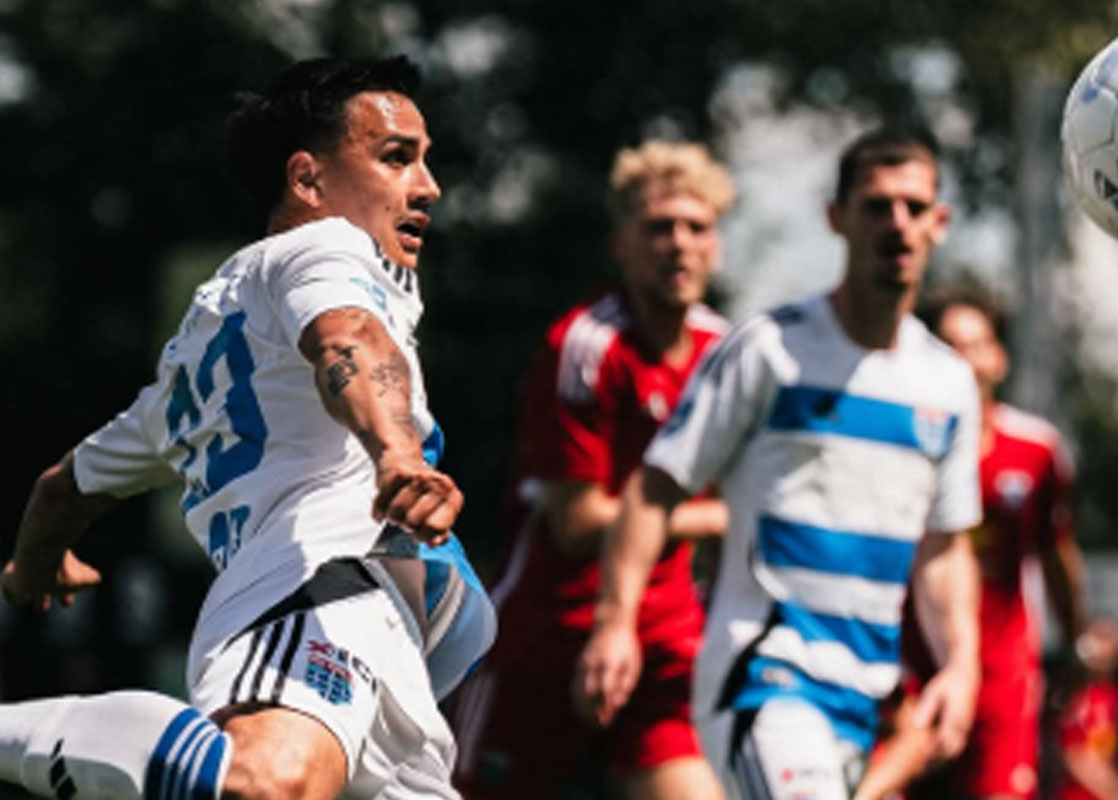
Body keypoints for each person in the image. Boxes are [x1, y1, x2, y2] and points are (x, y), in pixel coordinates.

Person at [0, 55, 495, 800]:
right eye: (397, 158)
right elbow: (348, 338)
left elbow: (60, 489)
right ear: (307, 180)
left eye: (424, 160)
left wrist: (33, 565)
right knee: (260, 784)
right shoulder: (321, 247)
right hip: (315, 590)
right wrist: (396, 454)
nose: (428, 186)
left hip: (375, 643)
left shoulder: (188, 377)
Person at [575, 126, 984, 800]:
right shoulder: (767, 349)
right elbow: (654, 490)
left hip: (869, 696)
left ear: (939, 223)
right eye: (876, 206)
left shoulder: (948, 382)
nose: (897, 224)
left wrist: (961, 665)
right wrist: (615, 623)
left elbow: (944, 546)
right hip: (765, 677)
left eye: (914, 208)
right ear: (836, 218)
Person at [451, 140, 733, 800]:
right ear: (621, 244)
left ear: (716, 245)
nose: (679, 244)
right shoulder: (586, 347)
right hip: (550, 633)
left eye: (696, 227)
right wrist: (716, 518)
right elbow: (577, 523)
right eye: (659, 227)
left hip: (666, 635)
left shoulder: (727, 354)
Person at [895, 286, 1088, 800]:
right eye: (951, 346)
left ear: (999, 357)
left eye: (978, 345)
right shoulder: (896, 445)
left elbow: (1056, 555)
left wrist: (1076, 641)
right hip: (908, 674)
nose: (966, 361)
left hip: (1003, 677)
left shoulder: (1035, 450)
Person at [1053, 618, 1118, 800]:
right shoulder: (1079, 694)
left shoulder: (1110, 694)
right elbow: (1076, 757)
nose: (1101, 646)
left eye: (1108, 638)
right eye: (1097, 637)